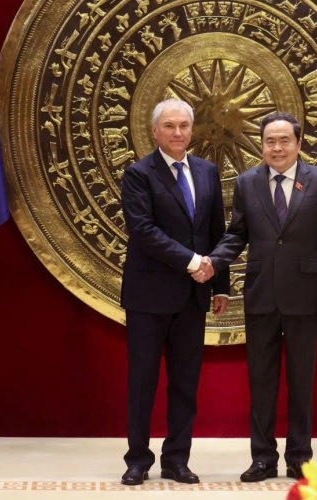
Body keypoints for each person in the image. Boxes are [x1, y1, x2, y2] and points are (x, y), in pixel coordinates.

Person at [195, 111, 317, 482]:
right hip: (261, 295)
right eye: (270, 141)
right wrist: (213, 261)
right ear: (261, 146)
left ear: (298, 143)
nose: (277, 148)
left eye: (284, 141)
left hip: (306, 297)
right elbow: (236, 234)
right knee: (261, 382)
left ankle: (299, 458)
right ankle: (262, 458)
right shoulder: (247, 183)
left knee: (301, 382)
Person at [120, 98, 229, 485]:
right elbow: (143, 231)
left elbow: (216, 231)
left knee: (185, 383)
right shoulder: (139, 174)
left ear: (192, 129)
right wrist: (192, 261)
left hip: (193, 297)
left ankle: (177, 459)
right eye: (169, 126)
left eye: (183, 125)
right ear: (155, 131)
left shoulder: (207, 171)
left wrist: (220, 285)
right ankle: (137, 460)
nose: (178, 132)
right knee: (143, 381)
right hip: (148, 296)